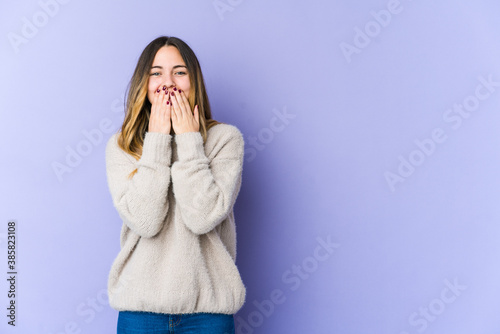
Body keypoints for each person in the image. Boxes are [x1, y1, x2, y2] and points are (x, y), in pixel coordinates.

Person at [104, 36, 246, 334]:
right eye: (156, 73)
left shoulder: (225, 140)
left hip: (208, 315)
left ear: (194, 82)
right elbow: (145, 222)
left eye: (179, 72)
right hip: (139, 313)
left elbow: (203, 216)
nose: (167, 82)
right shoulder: (123, 146)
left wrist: (188, 140)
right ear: (144, 84)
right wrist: (156, 141)